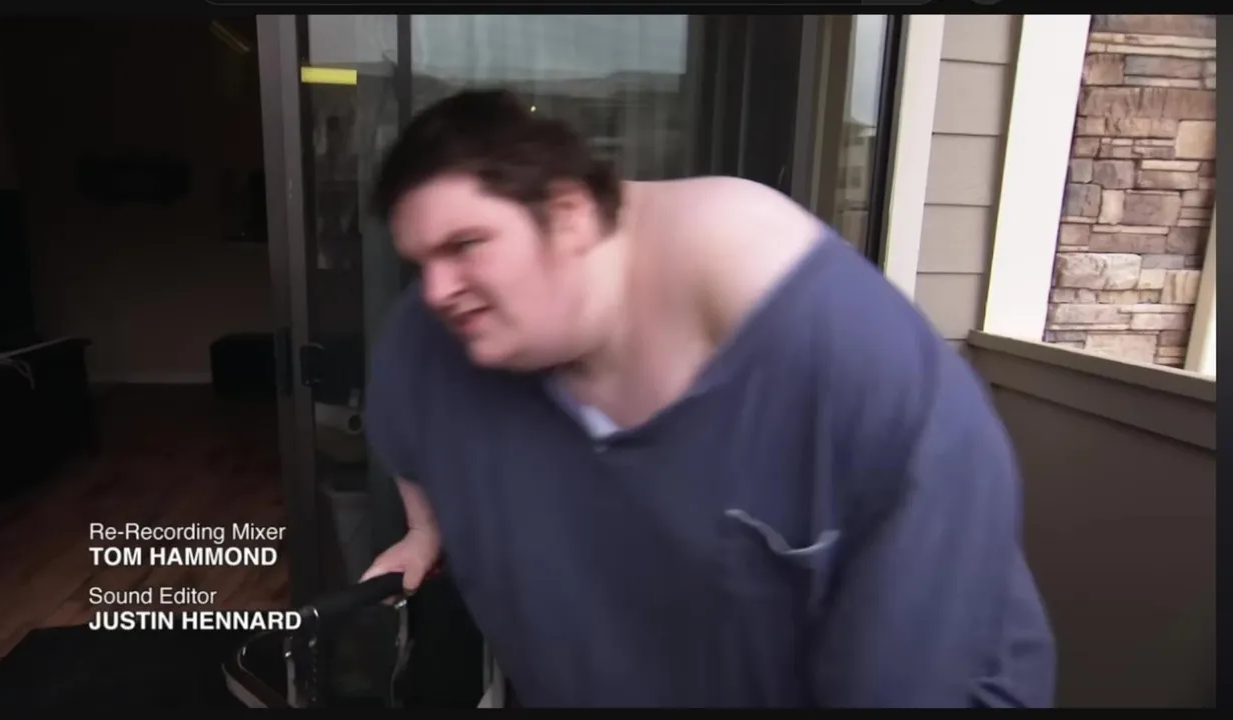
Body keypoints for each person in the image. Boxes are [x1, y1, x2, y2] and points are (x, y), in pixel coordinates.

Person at [359, 89, 1055, 708]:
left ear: (567, 214)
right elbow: (404, 420)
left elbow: (915, 661)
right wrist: (427, 528)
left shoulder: (830, 342)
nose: (437, 290)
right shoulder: (434, 339)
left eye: (467, 245)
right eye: (421, 262)